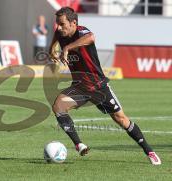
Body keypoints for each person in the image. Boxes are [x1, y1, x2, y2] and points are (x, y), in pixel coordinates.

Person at [49, 7, 161, 165]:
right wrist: (51, 48)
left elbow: (91, 37)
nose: (58, 27)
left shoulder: (81, 32)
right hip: (80, 87)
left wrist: (67, 48)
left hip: (99, 87)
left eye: (62, 24)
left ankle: (149, 151)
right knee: (58, 106)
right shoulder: (61, 34)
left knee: (121, 120)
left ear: (74, 23)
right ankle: (79, 144)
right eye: (57, 24)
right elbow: (55, 35)